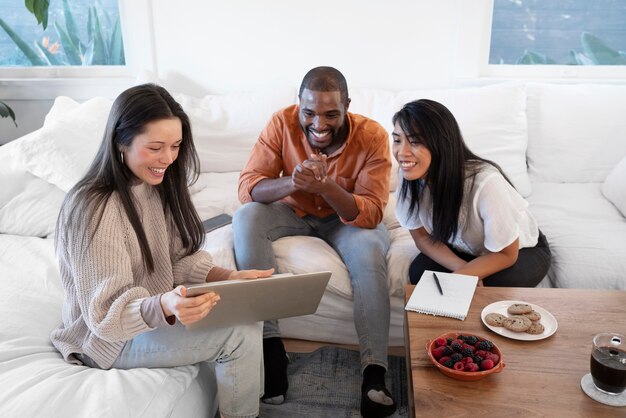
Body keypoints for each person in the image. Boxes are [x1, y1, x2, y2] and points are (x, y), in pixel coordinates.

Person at [50, 83, 272, 418]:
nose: (168, 158)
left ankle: (247, 406)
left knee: (247, 314)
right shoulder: (94, 209)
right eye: (155, 147)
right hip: (108, 341)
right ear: (120, 142)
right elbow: (105, 317)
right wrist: (164, 305)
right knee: (237, 335)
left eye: (176, 146)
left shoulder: (157, 185)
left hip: (149, 316)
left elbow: (179, 259)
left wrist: (229, 277)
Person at [233, 66, 397, 418]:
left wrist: (326, 187)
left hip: (346, 219)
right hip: (294, 211)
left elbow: (369, 213)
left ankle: (374, 373)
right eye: (309, 113)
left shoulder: (372, 136)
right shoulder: (281, 122)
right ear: (299, 105)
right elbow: (249, 187)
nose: (318, 123)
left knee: (370, 251)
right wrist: (294, 183)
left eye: (330, 114)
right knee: (245, 217)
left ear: (347, 106)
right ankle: (270, 348)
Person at [392, 99, 551, 287]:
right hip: (464, 248)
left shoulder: (485, 183)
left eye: (415, 141)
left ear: (441, 143)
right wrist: (464, 271)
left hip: (518, 250)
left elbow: (506, 254)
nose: (402, 152)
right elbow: (422, 237)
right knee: (420, 272)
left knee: (492, 284)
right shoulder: (408, 176)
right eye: (397, 140)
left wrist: (465, 277)